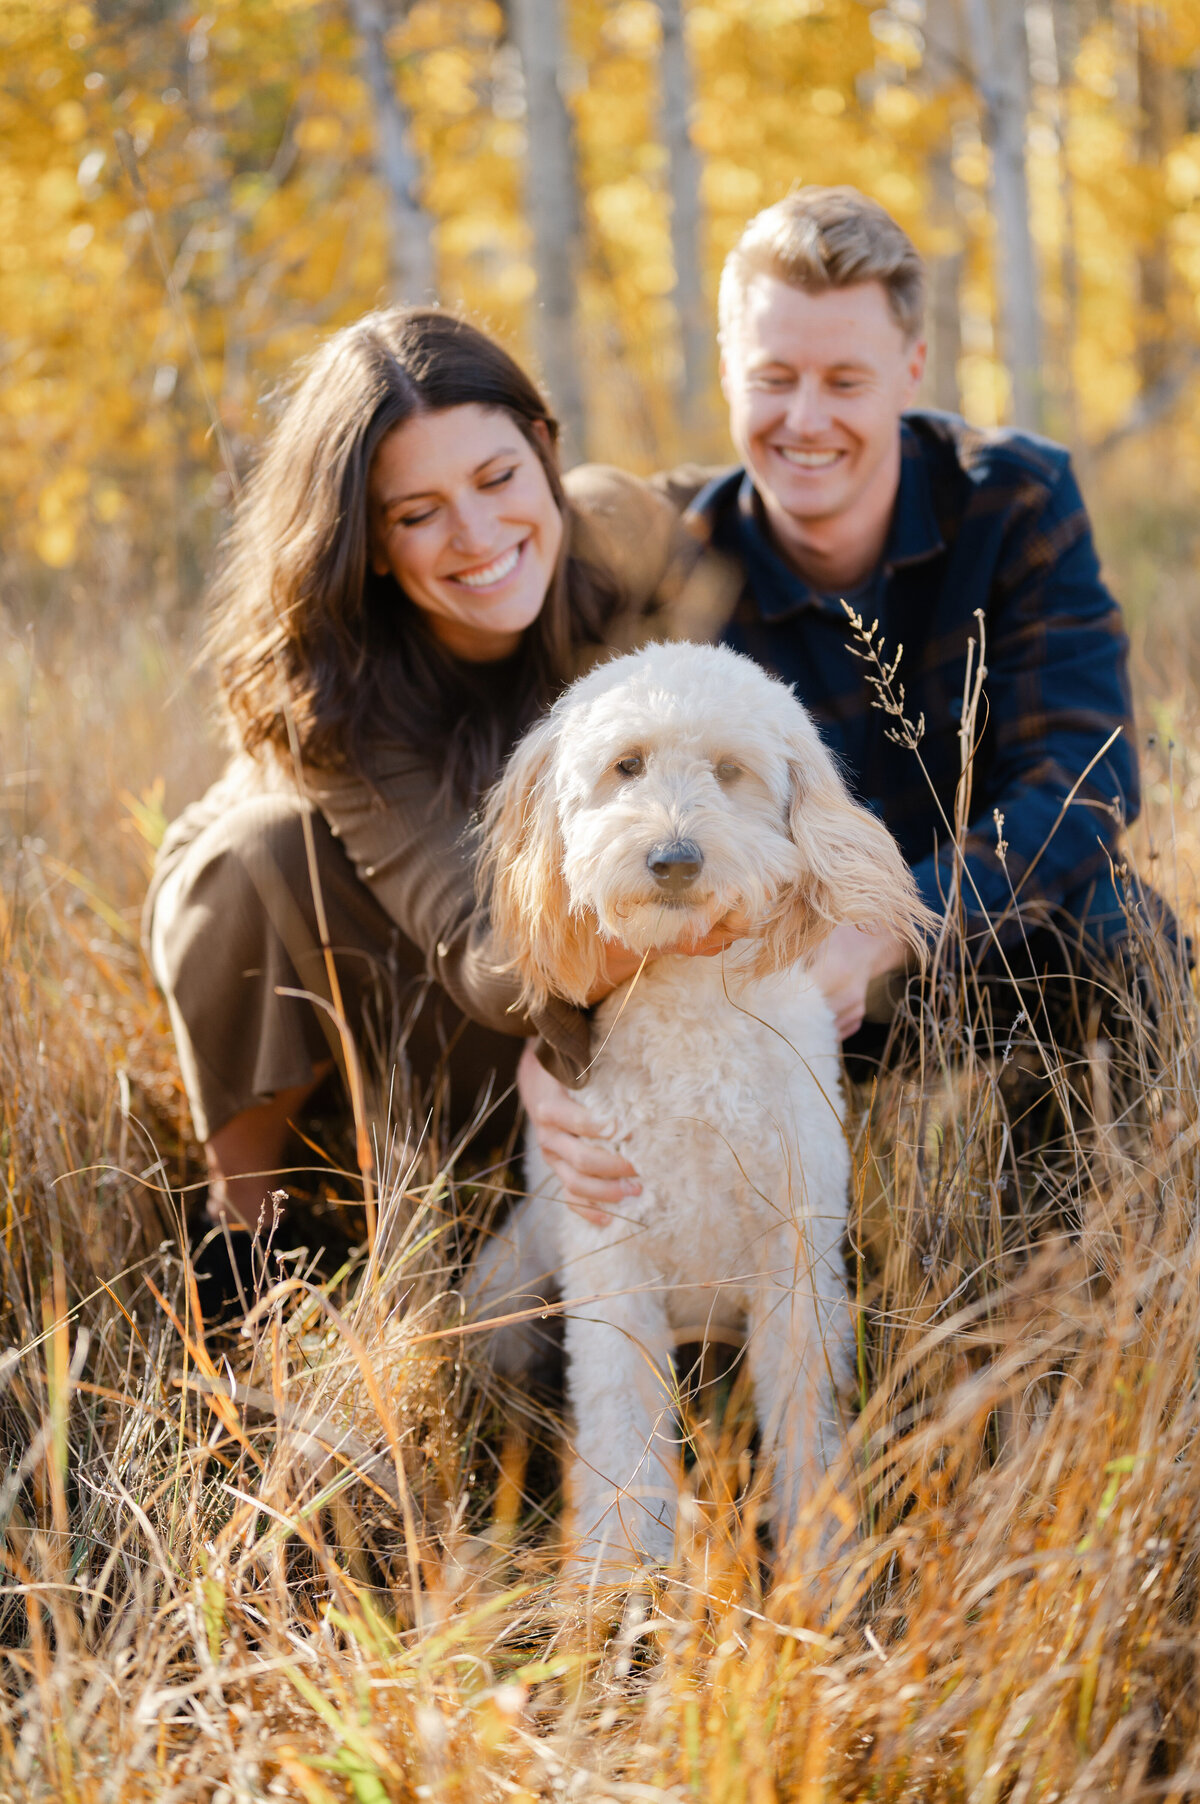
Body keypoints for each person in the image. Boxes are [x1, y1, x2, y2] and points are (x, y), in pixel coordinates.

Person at [520, 184, 1158, 1215]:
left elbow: (1083, 781)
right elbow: (569, 829)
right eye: (773, 377)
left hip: (962, 936)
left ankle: (1072, 1256)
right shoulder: (668, 556)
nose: (804, 420)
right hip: (740, 972)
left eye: (844, 380)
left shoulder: (1016, 498)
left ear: (911, 370)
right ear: (728, 368)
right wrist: (548, 1041)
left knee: (1121, 926)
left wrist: (889, 924)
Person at [145, 308, 734, 1237]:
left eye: (498, 477)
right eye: (418, 514)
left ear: (543, 446)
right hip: (349, 936)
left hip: (534, 957)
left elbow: (751, 512)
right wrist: (635, 960)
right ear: (370, 540)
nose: (477, 534)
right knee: (256, 852)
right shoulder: (331, 688)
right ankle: (247, 1229)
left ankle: (531, 1175)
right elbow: (485, 957)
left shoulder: (616, 526)